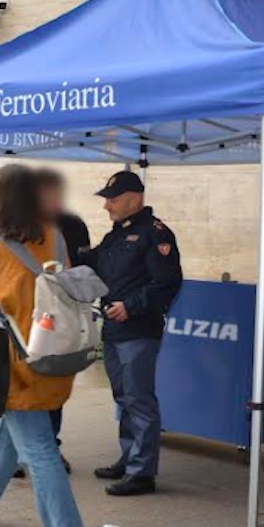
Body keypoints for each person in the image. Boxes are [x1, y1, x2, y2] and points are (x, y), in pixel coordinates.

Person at [0, 164, 90, 527]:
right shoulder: (53, 238)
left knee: (37, 449)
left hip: (15, 370)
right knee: (7, 437)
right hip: (53, 359)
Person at [85, 170, 182, 497]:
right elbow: (95, 263)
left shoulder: (156, 235)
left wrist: (131, 306)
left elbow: (167, 284)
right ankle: (129, 459)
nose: (107, 206)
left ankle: (142, 472)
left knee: (139, 400)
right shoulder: (116, 235)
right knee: (123, 398)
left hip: (139, 330)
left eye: (112, 199)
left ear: (135, 198)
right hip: (113, 330)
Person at [37, 167, 89, 472]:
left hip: (62, 320)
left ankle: (49, 446)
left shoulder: (72, 225)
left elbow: (81, 269)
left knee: (54, 386)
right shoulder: (19, 226)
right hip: (24, 322)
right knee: (19, 388)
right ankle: (20, 453)